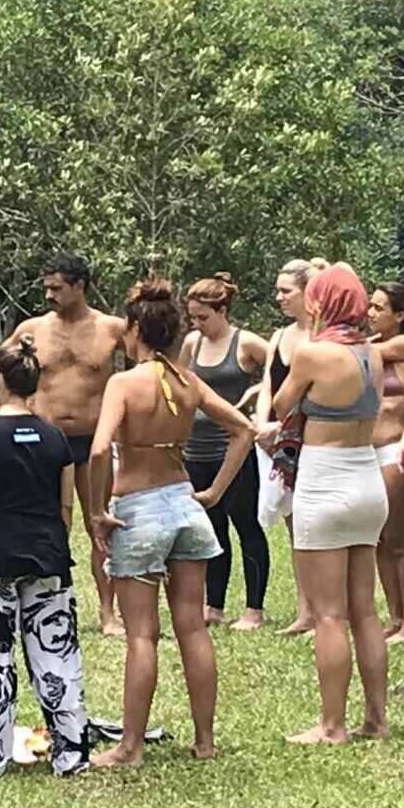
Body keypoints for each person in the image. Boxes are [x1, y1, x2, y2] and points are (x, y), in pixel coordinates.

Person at [89, 277, 254, 766]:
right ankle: (204, 742)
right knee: (194, 629)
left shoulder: (124, 382)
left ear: (138, 330)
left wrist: (97, 510)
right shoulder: (188, 380)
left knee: (142, 634)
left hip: (139, 509)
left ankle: (131, 746)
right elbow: (244, 429)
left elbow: (100, 448)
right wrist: (214, 492)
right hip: (185, 504)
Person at [0, 337, 91, 778]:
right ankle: (72, 754)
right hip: (48, 558)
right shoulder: (55, 439)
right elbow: (66, 508)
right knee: (57, 655)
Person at [261, 263, 392, 746]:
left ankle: (332, 724)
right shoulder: (372, 355)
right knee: (366, 611)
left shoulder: (314, 353)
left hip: (325, 480)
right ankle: (376, 719)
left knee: (328, 614)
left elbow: (281, 405)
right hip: (366, 478)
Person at [0, 254, 131, 637]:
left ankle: (109, 613)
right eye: (46, 287)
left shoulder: (112, 328)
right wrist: (7, 407)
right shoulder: (32, 329)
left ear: (80, 286)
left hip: (94, 442)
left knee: (99, 525)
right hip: (43, 440)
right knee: (42, 523)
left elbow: (146, 367)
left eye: (57, 287)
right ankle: (40, 606)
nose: (49, 294)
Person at [180, 275, 270, 629]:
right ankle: (213, 604)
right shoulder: (191, 344)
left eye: (203, 317)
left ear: (222, 310)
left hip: (234, 449)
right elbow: (181, 383)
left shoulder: (245, 342)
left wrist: (257, 392)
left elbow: (286, 371)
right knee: (211, 528)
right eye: (193, 318)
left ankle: (254, 609)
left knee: (245, 524)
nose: (197, 325)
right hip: (196, 450)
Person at [256, 257, 325, 636]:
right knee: (292, 523)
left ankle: (324, 609)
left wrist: (281, 426)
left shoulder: (321, 336)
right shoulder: (279, 337)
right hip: (280, 440)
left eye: (287, 291)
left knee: (314, 525)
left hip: (314, 434)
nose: (279, 297)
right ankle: (304, 610)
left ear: (307, 293)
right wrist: (261, 423)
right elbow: (269, 383)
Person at [367, 281, 404, 644]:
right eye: (369, 306)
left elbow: (360, 354)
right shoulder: (370, 344)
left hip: (395, 449)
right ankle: (394, 617)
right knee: (377, 539)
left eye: (378, 308)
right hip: (366, 452)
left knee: (398, 538)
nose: (370, 313)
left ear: (399, 316)